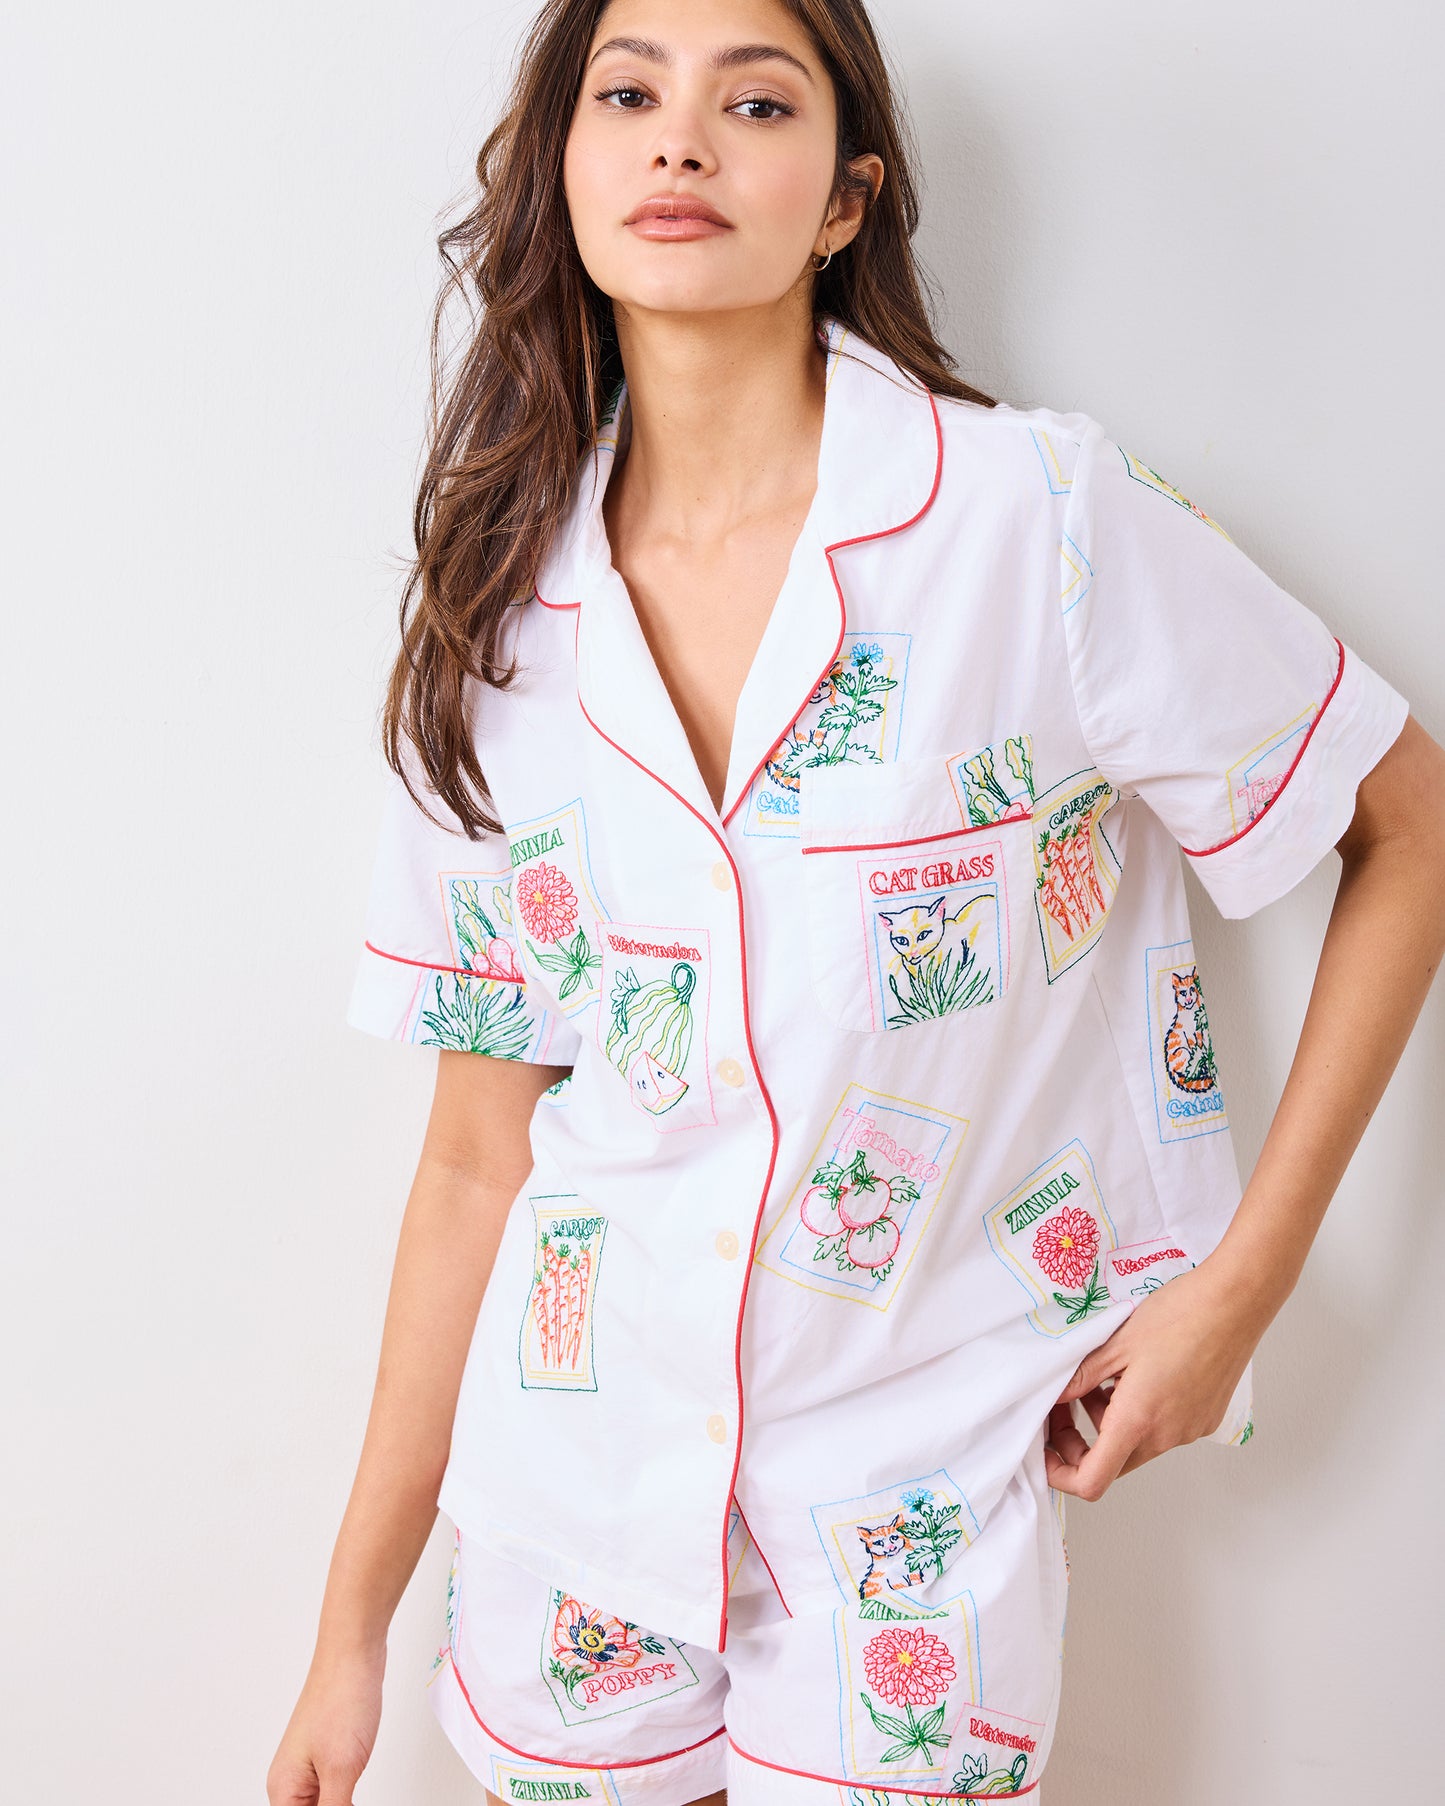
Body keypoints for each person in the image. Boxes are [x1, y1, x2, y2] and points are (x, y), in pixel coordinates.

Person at [267, 2, 1445, 1802]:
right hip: (573, 1503)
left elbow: (1407, 824)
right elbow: (474, 1161)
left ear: (843, 199)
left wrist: (1243, 1288)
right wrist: (347, 1628)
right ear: (564, 171)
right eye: (626, 93)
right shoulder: (500, 624)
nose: (680, 138)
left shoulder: (1031, 522)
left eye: (754, 102)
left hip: (914, 1505)